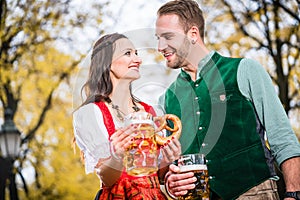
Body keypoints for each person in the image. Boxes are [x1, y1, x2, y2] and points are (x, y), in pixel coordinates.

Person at [155, 0, 300, 199]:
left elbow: (282, 138)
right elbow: (163, 166)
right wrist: (170, 179)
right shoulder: (166, 100)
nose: (160, 47)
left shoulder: (244, 70)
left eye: (167, 37)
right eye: (158, 39)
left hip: (254, 192)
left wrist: (294, 193)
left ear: (193, 34)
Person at [72, 33, 181, 199]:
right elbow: (107, 179)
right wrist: (117, 155)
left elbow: (158, 177)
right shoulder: (91, 114)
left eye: (136, 53)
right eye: (128, 53)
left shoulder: (152, 113)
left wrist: (167, 160)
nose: (138, 59)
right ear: (106, 62)